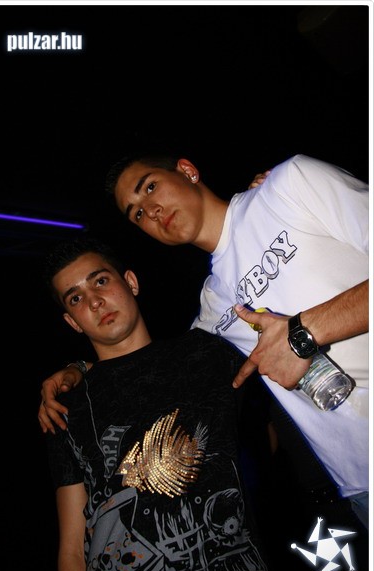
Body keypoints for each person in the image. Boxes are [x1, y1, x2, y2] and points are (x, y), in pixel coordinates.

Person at [40, 153, 369, 532]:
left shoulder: (288, 186)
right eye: (137, 214)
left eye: (150, 187)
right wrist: (80, 370)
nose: (151, 210)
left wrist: (303, 333)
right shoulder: (214, 307)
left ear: (187, 171)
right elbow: (158, 367)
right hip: (358, 483)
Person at [42, 237, 273, 571]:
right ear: (73, 322)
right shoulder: (66, 408)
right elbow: (72, 547)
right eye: (76, 298)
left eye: (100, 280)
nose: (94, 301)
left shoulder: (209, 353)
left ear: (131, 282)